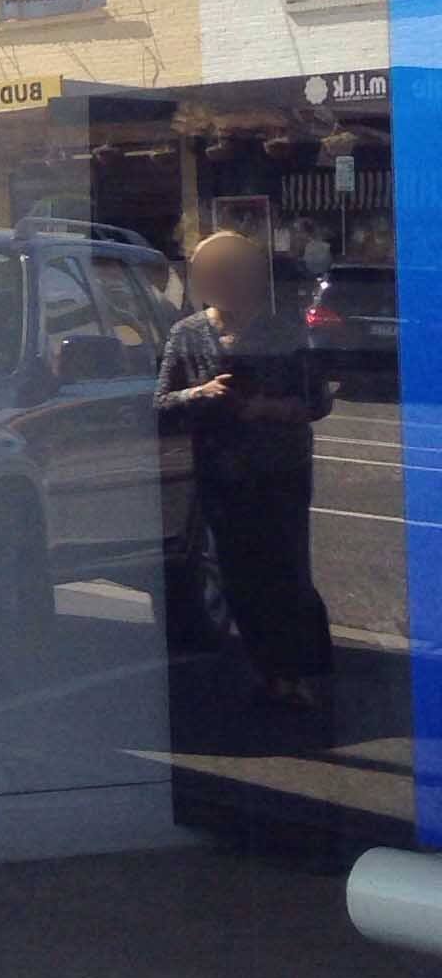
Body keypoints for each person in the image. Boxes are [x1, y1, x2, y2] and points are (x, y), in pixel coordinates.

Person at [156, 227, 332, 708]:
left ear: (252, 276)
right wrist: (200, 393)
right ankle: (267, 668)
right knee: (236, 574)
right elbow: (161, 403)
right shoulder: (187, 334)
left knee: (285, 570)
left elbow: (317, 400)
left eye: (231, 271)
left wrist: (266, 409)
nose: (221, 280)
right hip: (219, 473)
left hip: (280, 471)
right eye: (210, 272)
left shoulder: (285, 332)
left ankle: (296, 673)